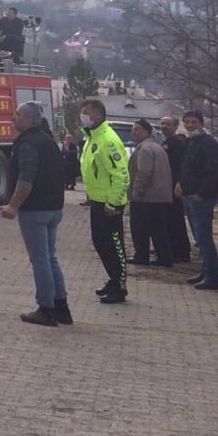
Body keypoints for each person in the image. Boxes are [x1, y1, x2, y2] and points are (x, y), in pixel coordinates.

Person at [0, 101, 72, 326]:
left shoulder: (28, 144)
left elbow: (26, 179)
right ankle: (61, 307)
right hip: (53, 208)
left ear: (30, 120)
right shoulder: (48, 140)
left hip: (35, 209)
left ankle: (46, 309)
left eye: (18, 115)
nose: (13, 118)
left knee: (40, 259)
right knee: (50, 258)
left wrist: (12, 206)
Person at [79, 98, 130, 303]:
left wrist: (113, 203)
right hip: (97, 200)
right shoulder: (93, 137)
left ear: (97, 114)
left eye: (85, 112)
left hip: (110, 204)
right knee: (100, 243)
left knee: (114, 245)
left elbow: (121, 174)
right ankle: (113, 279)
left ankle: (120, 286)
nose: (82, 116)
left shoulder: (108, 139)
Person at [180, 109, 218, 291]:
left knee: (204, 237)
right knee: (199, 238)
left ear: (201, 124)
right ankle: (205, 271)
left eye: (193, 122)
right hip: (188, 195)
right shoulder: (191, 142)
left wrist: (202, 193)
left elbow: (213, 172)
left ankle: (213, 277)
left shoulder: (209, 144)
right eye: (187, 122)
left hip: (201, 198)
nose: (190, 125)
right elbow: (187, 167)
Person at [128, 118, 175, 267]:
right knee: (158, 230)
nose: (133, 132)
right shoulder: (158, 147)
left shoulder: (145, 149)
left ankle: (141, 256)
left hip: (146, 197)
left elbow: (143, 173)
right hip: (161, 197)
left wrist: (135, 193)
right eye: (133, 129)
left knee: (140, 228)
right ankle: (164, 257)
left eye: (137, 129)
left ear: (147, 132)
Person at [160, 115, 192, 263]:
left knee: (175, 219)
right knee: (167, 219)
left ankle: (181, 250)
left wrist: (179, 183)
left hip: (174, 187)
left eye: (167, 124)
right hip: (166, 186)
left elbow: (180, 166)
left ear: (174, 127)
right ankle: (171, 246)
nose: (164, 126)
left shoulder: (177, 144)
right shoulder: (165, 141)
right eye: (162, 124)